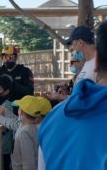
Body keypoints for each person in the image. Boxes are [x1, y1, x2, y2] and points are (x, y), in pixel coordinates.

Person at [38, 21, 107, 170]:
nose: (71, 48)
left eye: (73, 44)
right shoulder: (88, 65)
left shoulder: (50, 123)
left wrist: (60, 99)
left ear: (80, 42)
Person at [0, 96, 50, 170]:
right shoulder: (32, 127)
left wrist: (0, 116)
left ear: (20, 112)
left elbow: (28, 162)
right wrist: (4, 113)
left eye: (19, 107)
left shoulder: (25, 133)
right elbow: (14, 122)